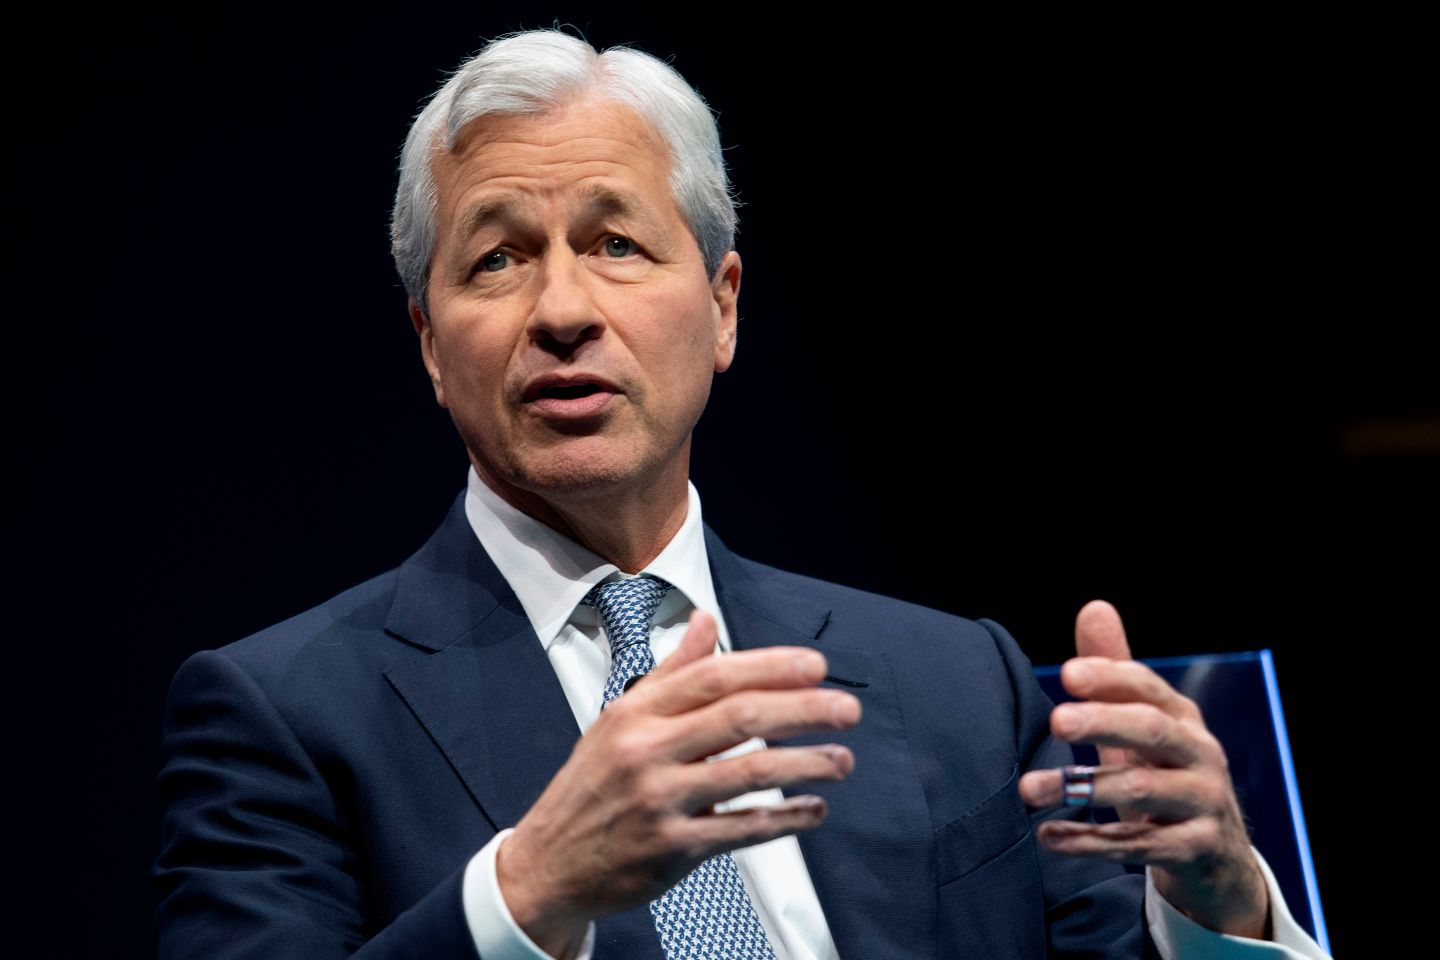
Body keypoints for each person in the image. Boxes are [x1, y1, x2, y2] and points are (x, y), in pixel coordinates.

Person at [155, 29, 1330, 960]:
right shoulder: (285, 717)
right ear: (428, 342)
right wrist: (529, 892)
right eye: (497, 259)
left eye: (616, 243)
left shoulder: (956, 683)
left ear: (722, 307)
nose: (561, 310)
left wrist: (1220, 905)